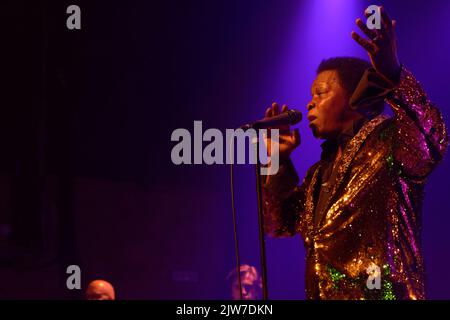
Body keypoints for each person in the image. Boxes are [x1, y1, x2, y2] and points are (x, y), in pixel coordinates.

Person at [262, 6, 448, 299]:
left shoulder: (388, 141)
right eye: (311, 96)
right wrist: (277, 160)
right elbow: (279, 223)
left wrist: (391, 72)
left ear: (354, 98)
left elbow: (431, 138)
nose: (310, 104)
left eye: (321, 93)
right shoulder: (318, 174)